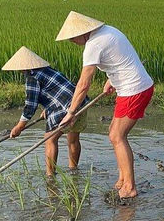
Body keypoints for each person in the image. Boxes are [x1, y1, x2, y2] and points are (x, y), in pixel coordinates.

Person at [56, 11, 154, 199]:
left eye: (72, 38)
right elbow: (119, 59)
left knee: (117, 136)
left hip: (134, 89)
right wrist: (112, 79)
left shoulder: (93, 45)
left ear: (81, 33)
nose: (72, 42)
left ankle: (130, 187)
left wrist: (71, 112)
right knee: (113, 132)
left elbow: (84, 83)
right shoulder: (109, 31)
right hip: (130, 87)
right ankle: (122, 179)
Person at [2, 46, 88, 176]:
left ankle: (50, 175)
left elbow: (30, 105)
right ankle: (73, 170)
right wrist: (48, 108)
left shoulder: (32, 77)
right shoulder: (47, 70)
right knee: (73, 139)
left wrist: (19, 126)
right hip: (80, 102)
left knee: (50, 139)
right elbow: (54, 90)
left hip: (66, 107)